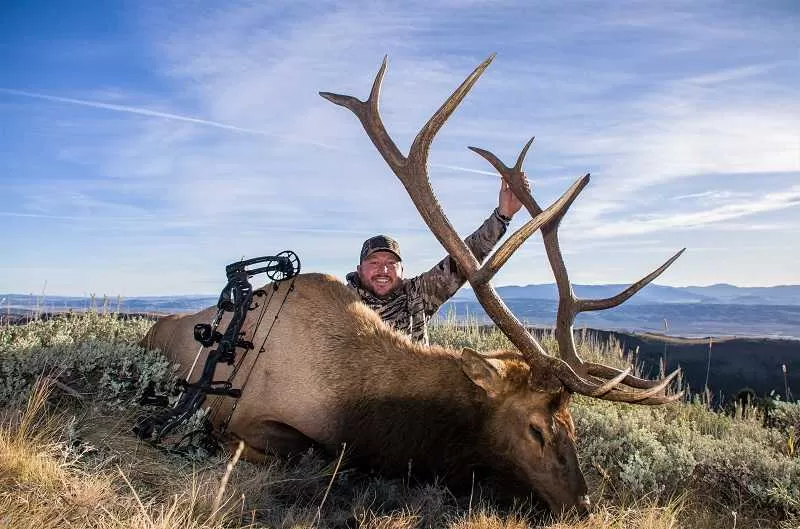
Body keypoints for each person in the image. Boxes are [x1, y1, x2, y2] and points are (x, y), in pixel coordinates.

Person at [346, 177, 524, 344]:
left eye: (391, 263)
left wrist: (502, 216)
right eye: (374, 263)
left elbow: (464, 258)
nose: (383, 270)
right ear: (359, 270)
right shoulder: (337, 303)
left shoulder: (417, 295)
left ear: (402, 271)